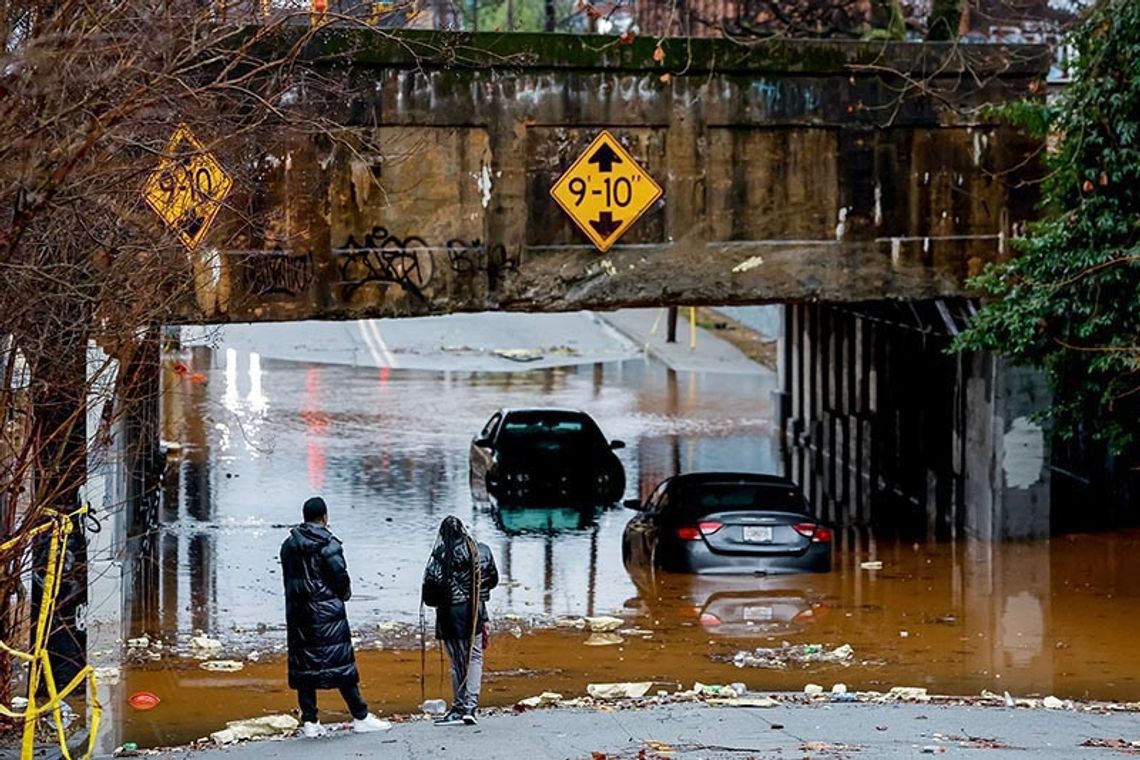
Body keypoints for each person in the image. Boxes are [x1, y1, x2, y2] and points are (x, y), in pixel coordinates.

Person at [280, 496, 390, 737]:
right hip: (328, 614)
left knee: (305, 666)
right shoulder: (329, 545)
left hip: (299, 615)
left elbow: (288, 579)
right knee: (341, 665)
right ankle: (360, 716)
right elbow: (340, 578)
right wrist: (345, 594)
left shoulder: (289, 546)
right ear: (325, 517)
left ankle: (310, 721)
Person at [421, 515, 499, 726]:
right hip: (475, 612)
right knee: (474, 657)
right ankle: (470, 707)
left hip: (449, 615)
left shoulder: (438, 556)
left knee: (457, 662)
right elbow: (492, 580)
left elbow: (429, 594)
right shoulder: (481, 551)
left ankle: (458, 707)